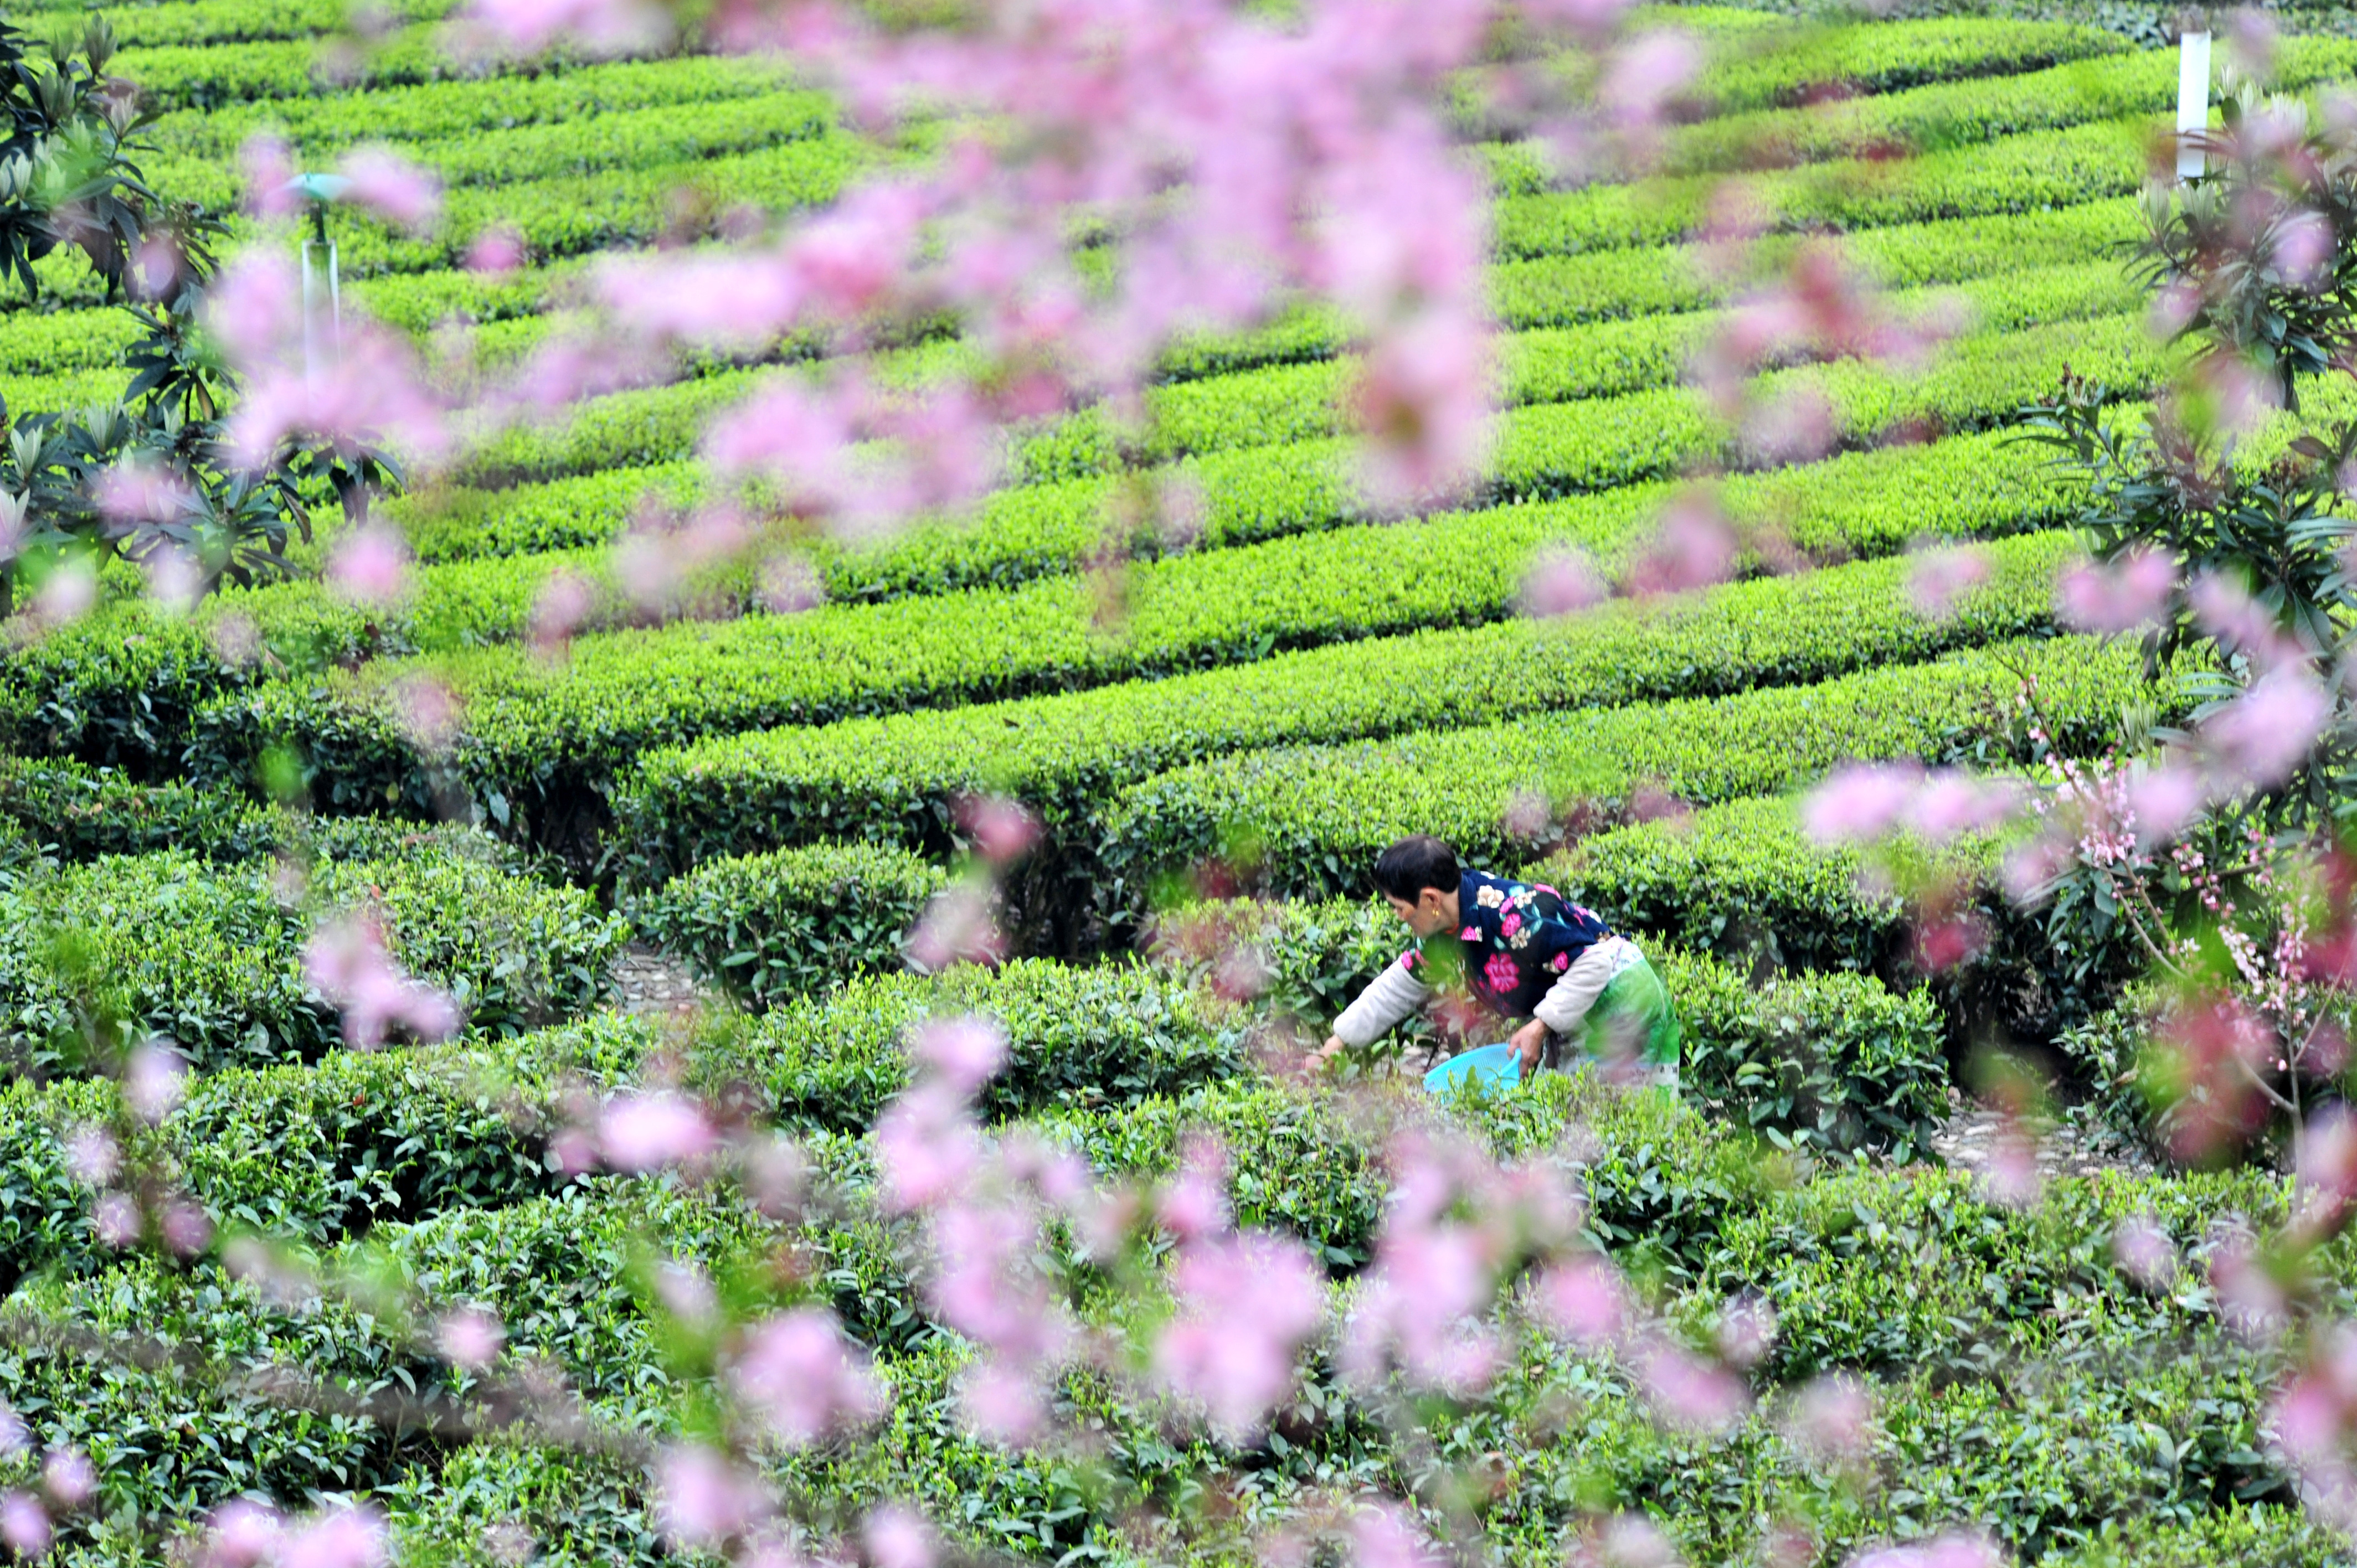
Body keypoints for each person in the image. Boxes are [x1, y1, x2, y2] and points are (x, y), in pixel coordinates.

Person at [1308, 834, 1680, 1091]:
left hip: (1622, 998)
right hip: (1582, 1011)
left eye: (1400, 908)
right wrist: (1333, 1047)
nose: (1399, 917)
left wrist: (1540, 1026)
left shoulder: (1512, 913)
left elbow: (1597, 959)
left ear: (1430, 899)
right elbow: (1398, 986)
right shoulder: (1446, 929)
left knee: (1610, 1124)